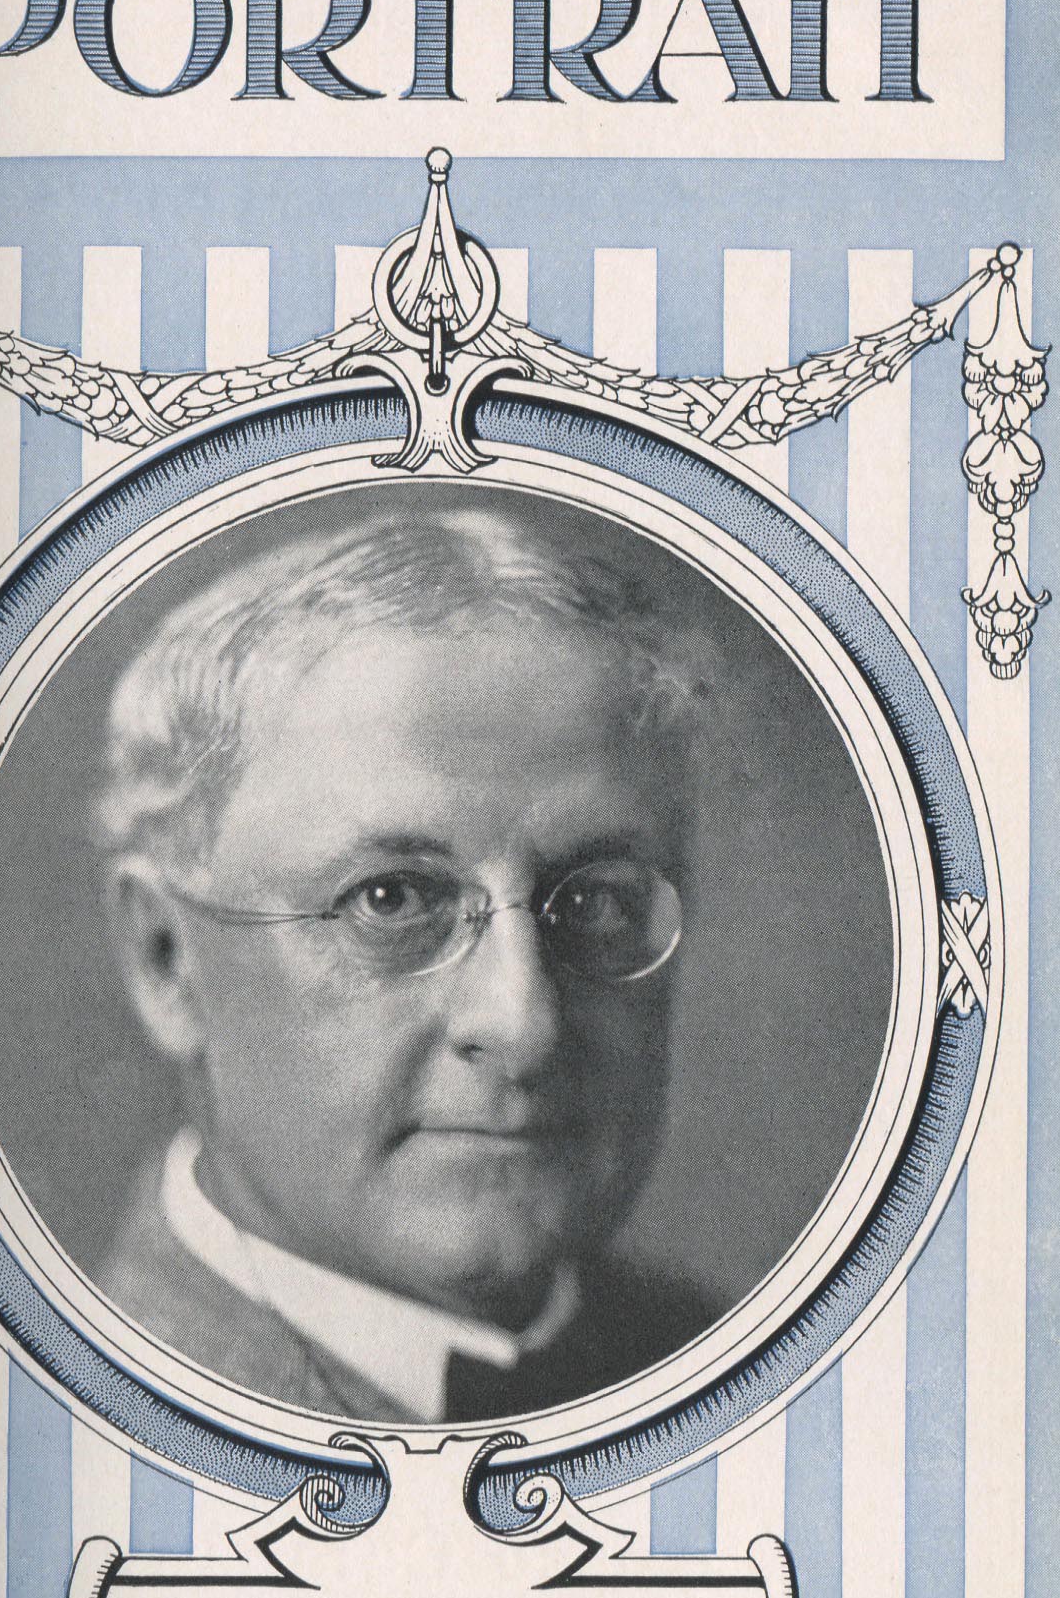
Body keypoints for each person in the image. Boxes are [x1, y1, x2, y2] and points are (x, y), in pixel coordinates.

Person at [93, 490, 715, 1423]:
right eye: (391, 900)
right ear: (166, 960)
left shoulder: (727, 1358)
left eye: (596, 902)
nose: (524, 1022)